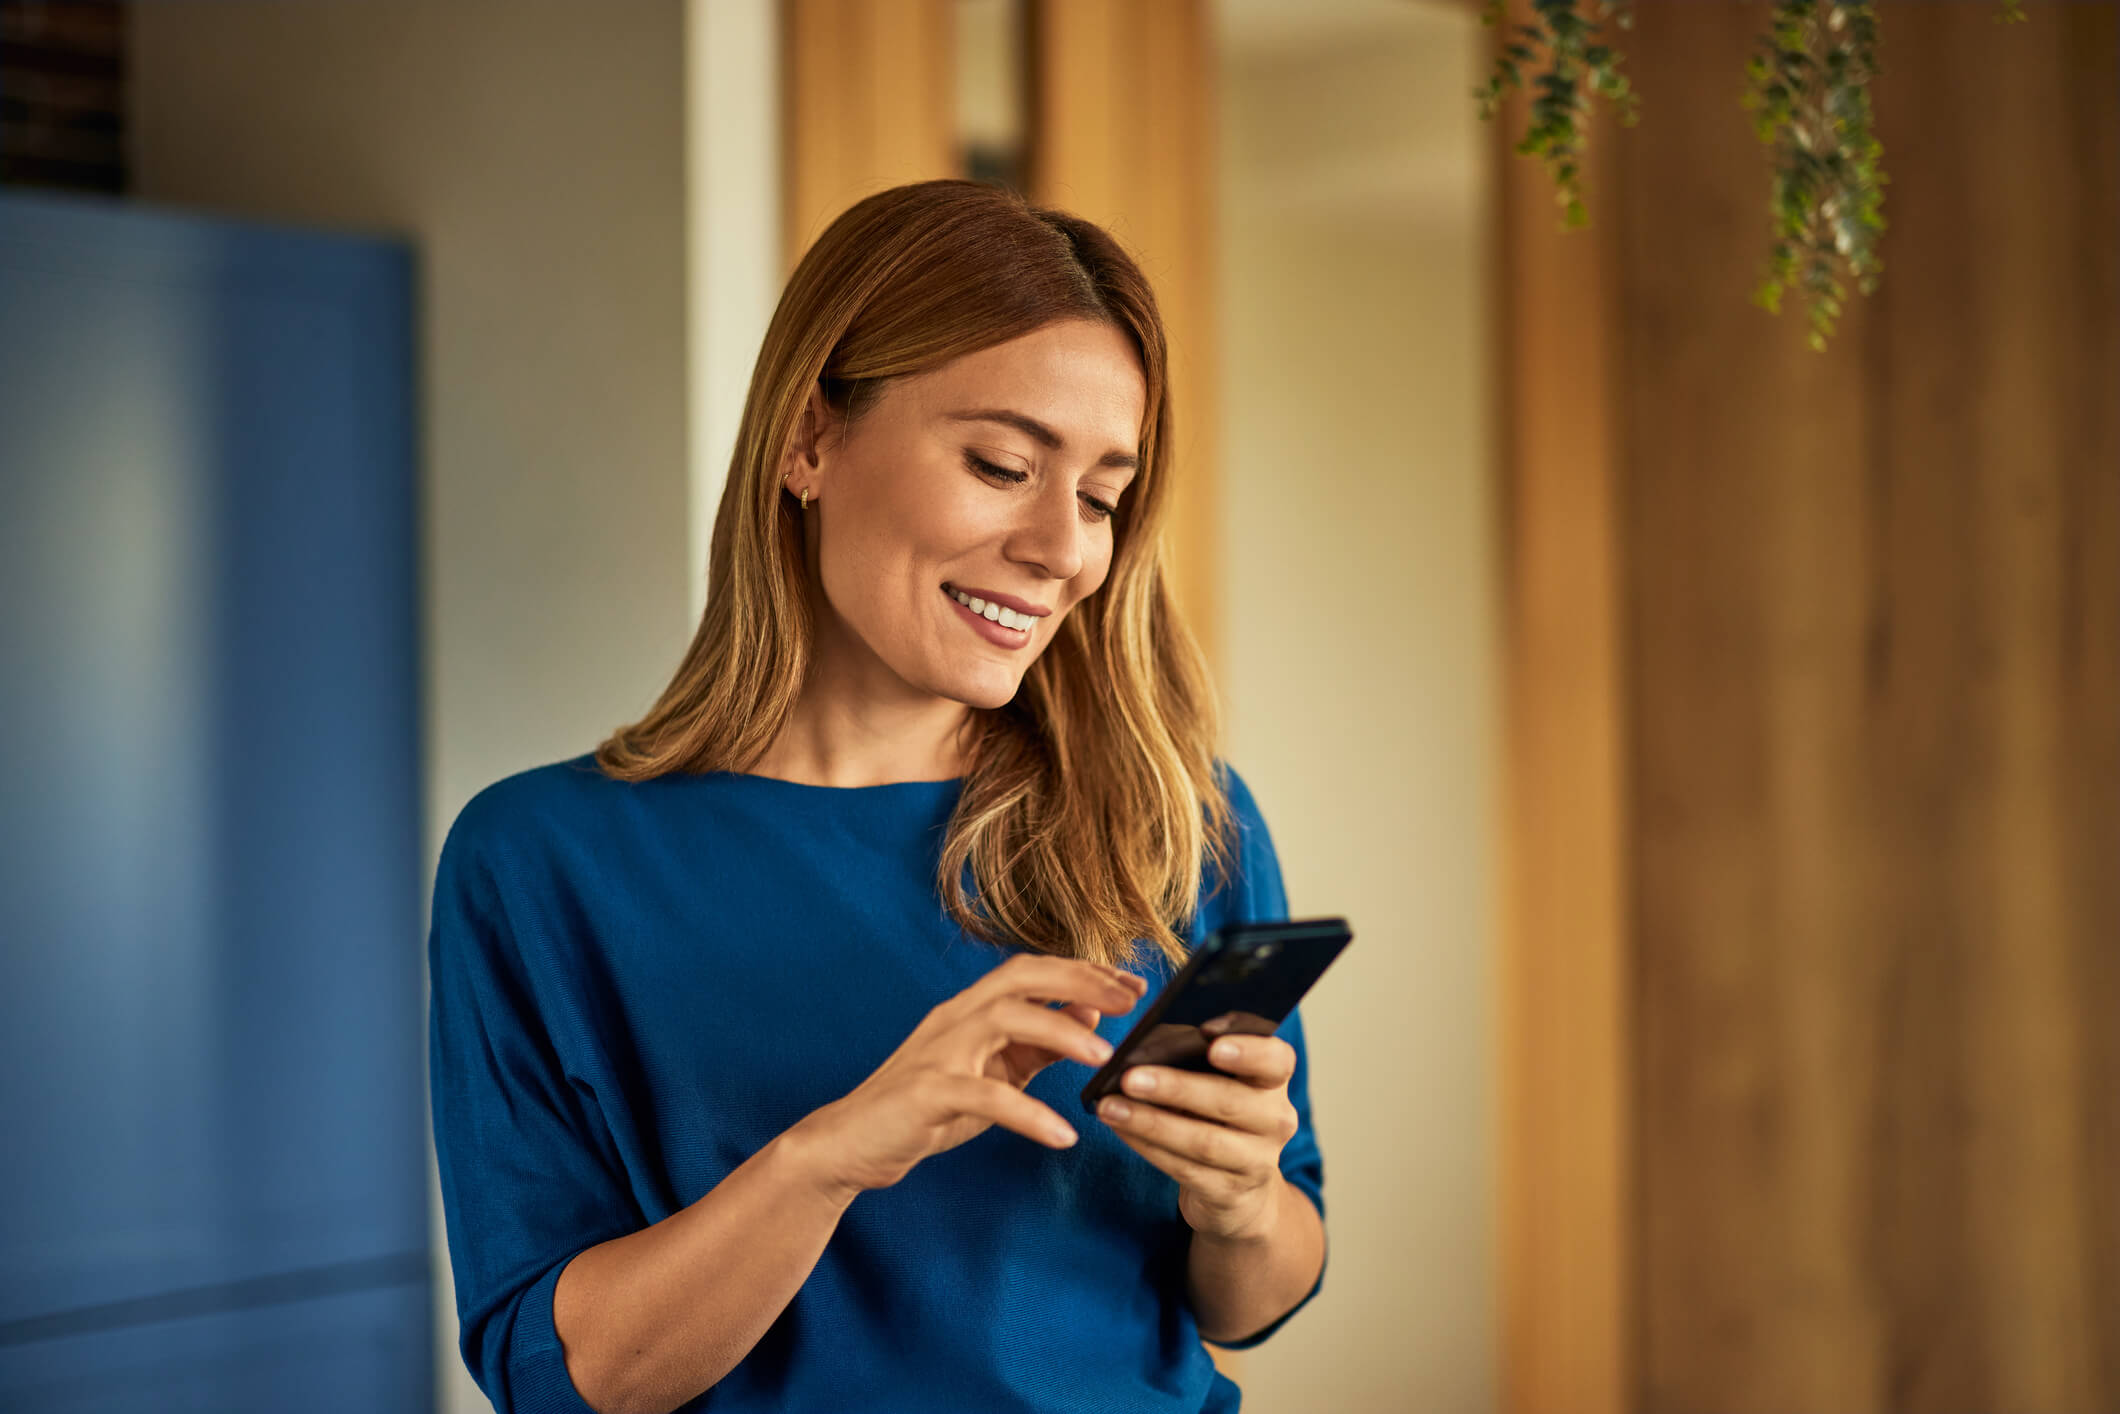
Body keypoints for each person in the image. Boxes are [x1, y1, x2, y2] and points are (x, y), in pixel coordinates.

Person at [428, 178, 1327, 1414]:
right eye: (1001, 464)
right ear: (808, 440)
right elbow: (560, 1376)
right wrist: (828, 1156)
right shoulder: (540, 862)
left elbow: (1255, 1295)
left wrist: (1243, 1202)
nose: (1063, 548)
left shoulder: (1178, 819)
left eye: (1100, 497)